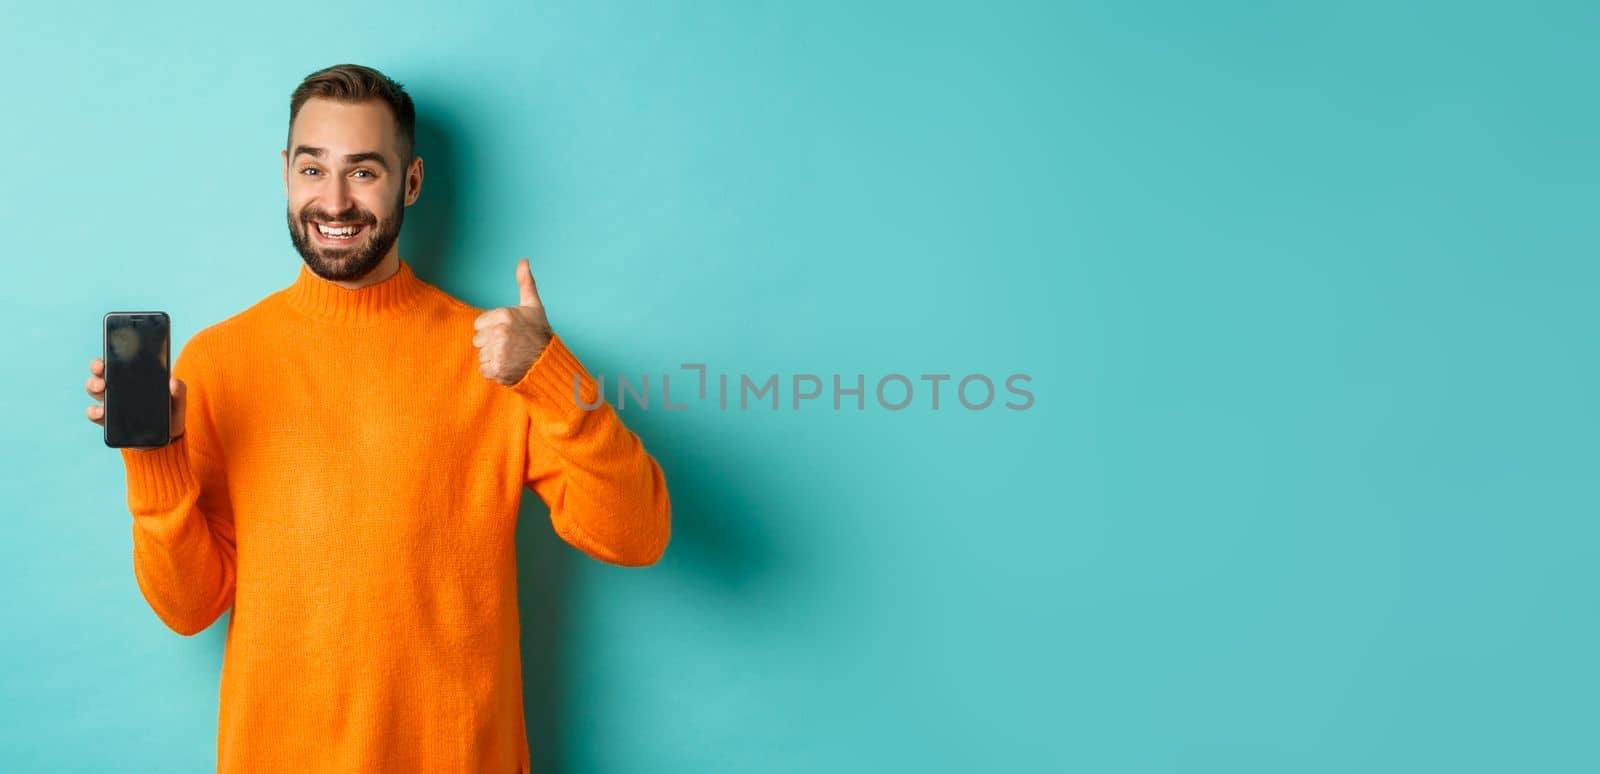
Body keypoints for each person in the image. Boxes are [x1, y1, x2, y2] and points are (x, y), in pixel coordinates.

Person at [82, 63, 671, 773]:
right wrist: (154, 456)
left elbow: (635, 535)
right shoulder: (220, 362)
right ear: (285, 173)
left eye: (363, 172)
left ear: (411, 183)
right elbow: (188, 607)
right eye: (312, 169)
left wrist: (551, 375)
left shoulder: (496, 357)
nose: (333, 201)